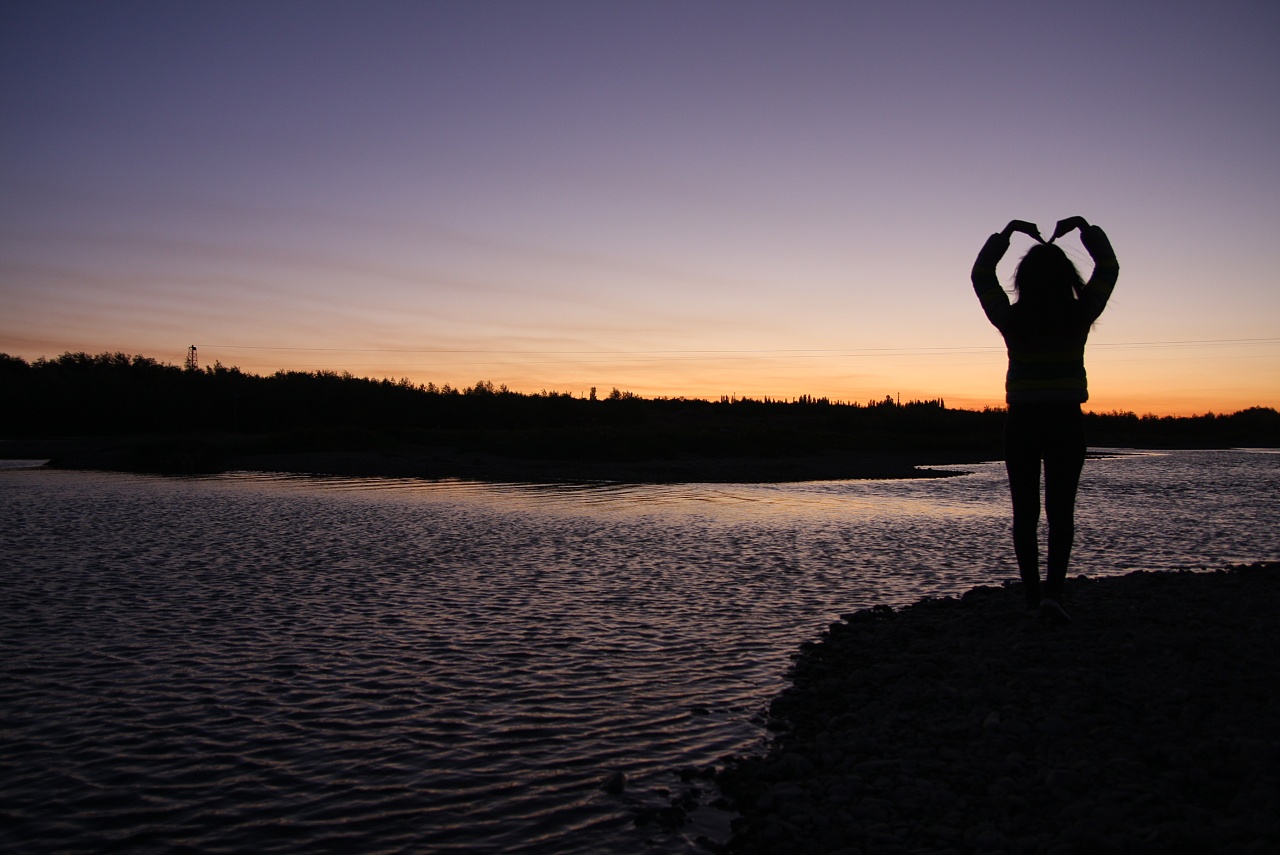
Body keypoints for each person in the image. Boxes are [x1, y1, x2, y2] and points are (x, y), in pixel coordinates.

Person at [971, 216, 1119, 623]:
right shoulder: (1080, 313)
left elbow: (981, 274)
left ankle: (1033, 599)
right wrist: (1085, 228)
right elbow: (1109, 267)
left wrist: (1006, 233)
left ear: (1024, 279)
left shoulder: (1012, 318)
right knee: (1061, 512)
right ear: (1065, 277)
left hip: (1021, 422)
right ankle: (1055, 593)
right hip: (1066, 421)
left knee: (1025, 514)